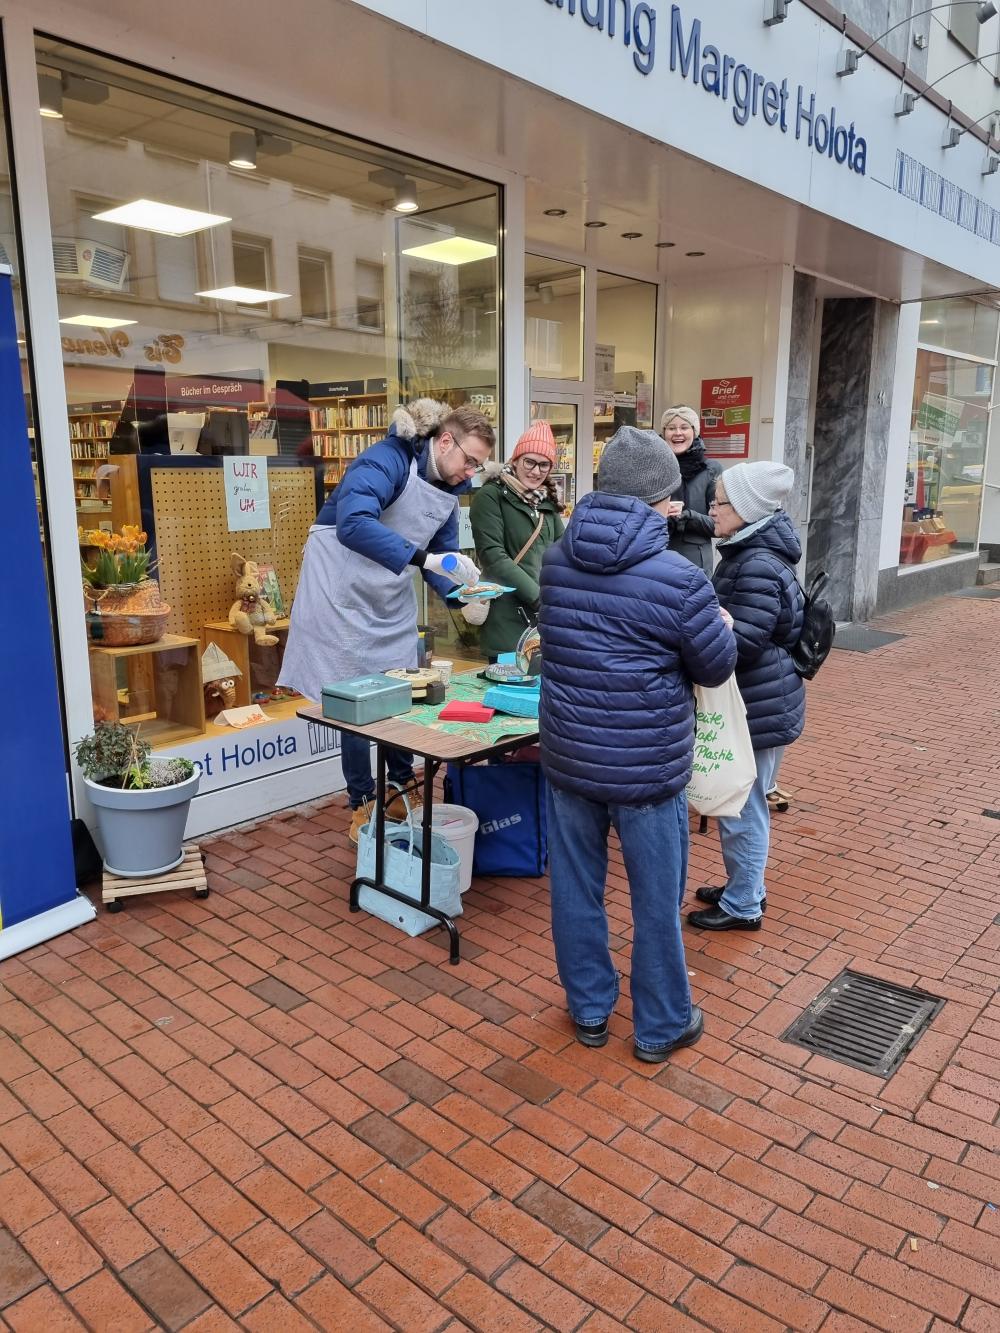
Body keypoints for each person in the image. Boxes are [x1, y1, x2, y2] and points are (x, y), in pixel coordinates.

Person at [538, 426, 737, 1062]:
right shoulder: (680, 578)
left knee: (575, 888)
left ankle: (590, 1008)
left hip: (570, 756)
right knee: (655, 900)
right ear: (664, 498)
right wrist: (721, 625)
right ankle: (661, 1023)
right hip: (647, 766)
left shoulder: (557, 560)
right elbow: (714, 667)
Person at [279, 399, 495, 842]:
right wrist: (425, 559)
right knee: (356, 702)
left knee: (402, 691)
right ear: (445, 441)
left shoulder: (449, 491)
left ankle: (401, 790)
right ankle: (362, 802)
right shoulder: (386, 459)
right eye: (470, 461)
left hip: (386, 595)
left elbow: (441, 560)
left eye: (479, 466)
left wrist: (464, 596)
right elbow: (353, 524)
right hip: (340, 594)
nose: (471, 473)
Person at [687, 461, 805, 932]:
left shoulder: (755, 562)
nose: (711, 510)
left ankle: (743, 905)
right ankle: (745, 886)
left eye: (718, 503)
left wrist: (708, 627)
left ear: (747, 509)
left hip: (758, 703)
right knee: (744, 803)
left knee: (743, 806)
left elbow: (745, 642)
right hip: (764, 699)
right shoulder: (752, 552)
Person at [467, 421, 565, 657]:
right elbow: (494, 557)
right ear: (516, 460)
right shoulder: (490, 496)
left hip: (544, 624)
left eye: (544, 464)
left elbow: (563, 552)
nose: (536, 471)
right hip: (506, 621)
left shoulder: (546, 503)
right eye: (529, 462)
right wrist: (539, 598)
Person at [661, 405, 721, 574]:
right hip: (656, 557)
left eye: (684, 427)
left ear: (694, 431)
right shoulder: (653, 467)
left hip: (694, 566)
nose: (677, 433)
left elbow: (720, 524)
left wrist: (687, 516)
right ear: (664, 433)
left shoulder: (710, 470)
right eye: (671, 428)